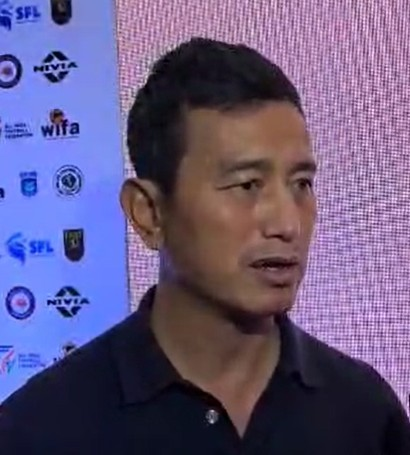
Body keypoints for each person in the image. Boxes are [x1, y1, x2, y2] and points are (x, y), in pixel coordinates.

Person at [1, 37, 409, 454]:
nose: (288, 224)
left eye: (301, 184)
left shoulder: (366, 416)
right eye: (247, 185)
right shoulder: (40, 431)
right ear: (148, 213)